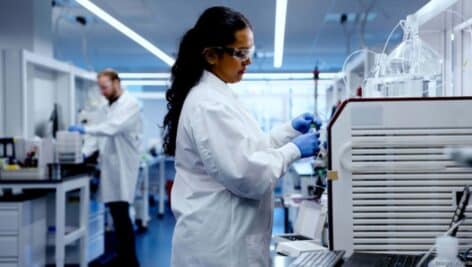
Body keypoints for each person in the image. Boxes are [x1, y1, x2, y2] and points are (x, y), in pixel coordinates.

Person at [162, 6, 321, 267]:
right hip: (219, 248)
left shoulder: (220, 96)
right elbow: (248, 175)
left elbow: (249, 150)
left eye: (250, 52)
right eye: (241, 53)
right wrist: (293, 150)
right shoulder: (208, 104)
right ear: (211, 55)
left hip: (227, 240)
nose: (248, 61)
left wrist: (289, 131)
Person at [69, 69, 142, 267]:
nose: (102, 92)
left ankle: (130, 260)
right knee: (116, 212)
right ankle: (124, 256)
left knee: (121, 212)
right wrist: (83, 153)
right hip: (110, 165)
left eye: (105, 87)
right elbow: (96, 134)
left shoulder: (131, 104)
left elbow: (112, 128)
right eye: (100, 88)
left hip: (123, 165)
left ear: (116, 82)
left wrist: (84, 128)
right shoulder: (105, 106)